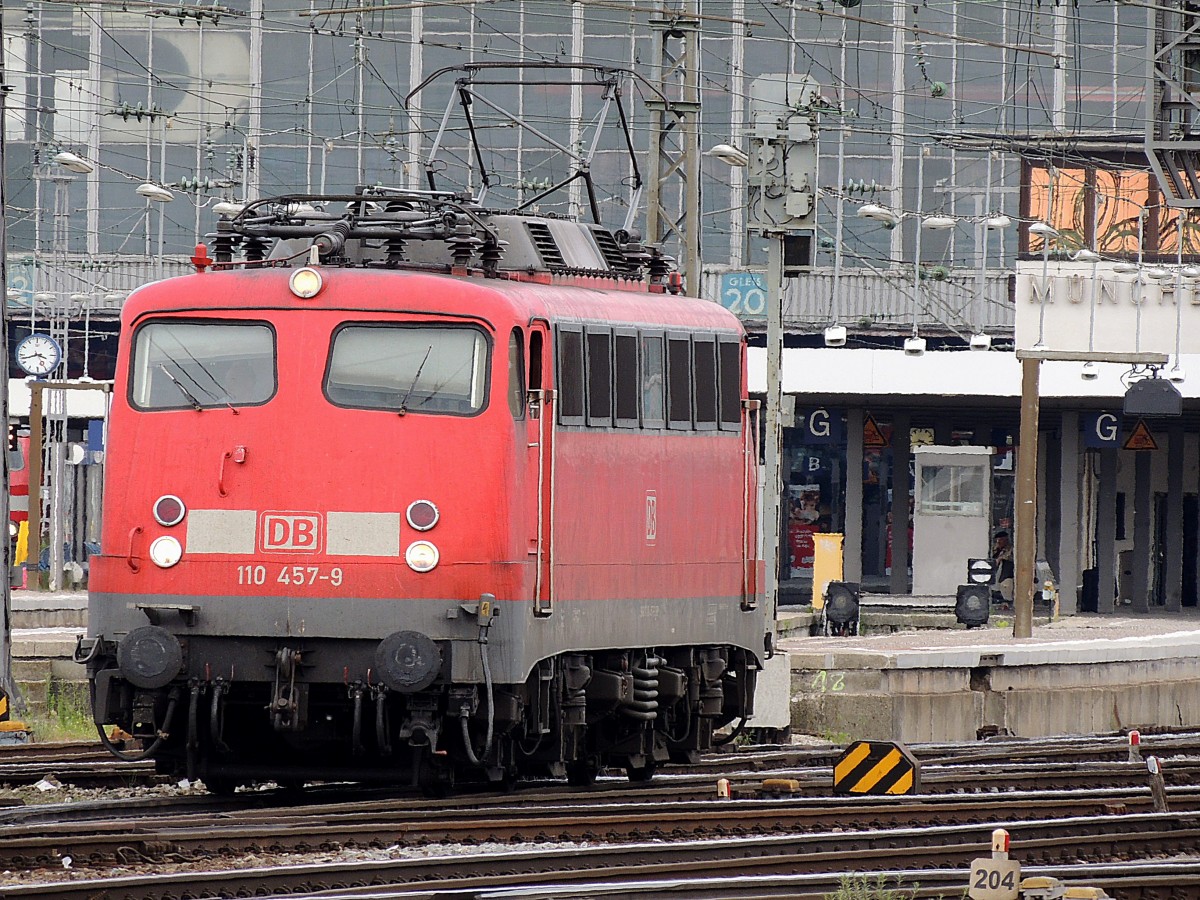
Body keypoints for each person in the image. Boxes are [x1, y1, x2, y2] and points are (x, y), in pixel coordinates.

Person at [992, 530, 1015, 605]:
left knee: (1006, 585)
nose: (999, 542)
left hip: (1007, 574)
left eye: (1001, 540)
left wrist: (1000, 558)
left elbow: (1008, 557)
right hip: (997, 574)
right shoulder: (996, 549)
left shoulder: (1010, 549)